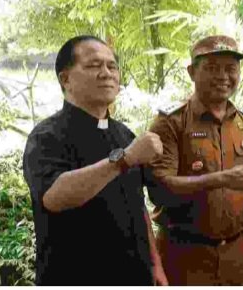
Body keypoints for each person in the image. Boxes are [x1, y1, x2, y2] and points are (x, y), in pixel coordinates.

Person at [22, 36, 166, 285]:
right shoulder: (47, 136)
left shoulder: (124, 134)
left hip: (135, 275)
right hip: (75, 276)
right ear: (65, 79)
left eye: (112, 66)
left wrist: (155, 262)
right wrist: (125, 158)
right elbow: (53, 197)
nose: (106, 73)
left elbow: (138, 204)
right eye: (93, 65)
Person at [146, 35, 243, 285]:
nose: (223, 76)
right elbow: (160, 190)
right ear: (192, 72)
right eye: (211, 68)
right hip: (185, 256)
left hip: (238, 255)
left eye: (230, 68)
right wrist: (220, 179)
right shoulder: (170, 123)